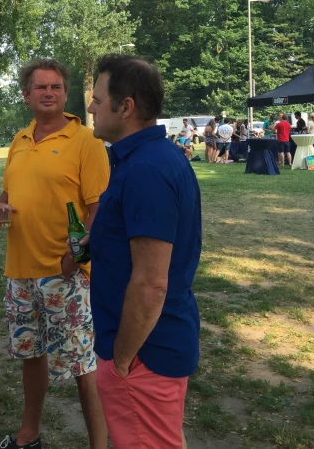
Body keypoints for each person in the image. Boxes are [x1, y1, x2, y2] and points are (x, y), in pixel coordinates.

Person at [0, 58, 109, 449]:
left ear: (66, 93)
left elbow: (98, 210)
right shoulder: (19, 141)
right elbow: (7, 197)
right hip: (19, 271)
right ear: (26, 96)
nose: (49, 93)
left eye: (56, 87)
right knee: (31, 355)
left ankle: (98, 444)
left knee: (82, 365)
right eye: (40, 88)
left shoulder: (85, 143)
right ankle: (30, 433)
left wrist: (74, 258)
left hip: (65, 274)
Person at [83, 55, 201, 449]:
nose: (90, 107)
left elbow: (152, 282)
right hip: (149, 349)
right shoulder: (145, 159)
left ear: (126, 107)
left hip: (143, 356)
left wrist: (121, 361)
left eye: (98, 99)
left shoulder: (145, 169)